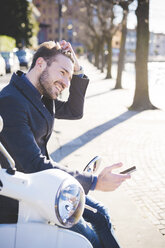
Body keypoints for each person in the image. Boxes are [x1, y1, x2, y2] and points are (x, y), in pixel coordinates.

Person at [0, 40, 130, 248]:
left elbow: (73, 111)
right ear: (40, 63)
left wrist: (77, 71)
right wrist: (93, 181)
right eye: (62, 72)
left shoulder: (41, 94)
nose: (66, 82)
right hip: (24, 196)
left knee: (101, 214)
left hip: (43, 186)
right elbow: (33, 164)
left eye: (69, 77)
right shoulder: (11, 101)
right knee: (90, 236)